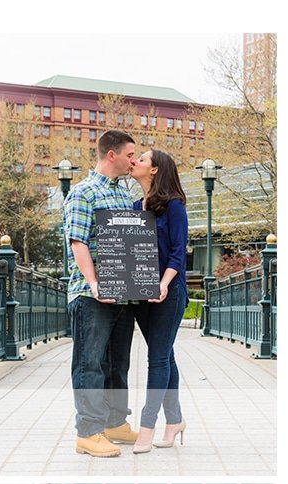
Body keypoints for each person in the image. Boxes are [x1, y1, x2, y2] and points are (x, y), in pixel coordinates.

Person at [64, 130, 140, 458]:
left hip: (123, 294)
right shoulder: (83, 193)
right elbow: (78, 242)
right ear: (112, 154)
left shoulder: (125, 196)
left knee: (117, 364)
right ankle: (89, 432)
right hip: (90, 295)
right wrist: (95, 283)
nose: (134, 160)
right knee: (89, 363)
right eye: (130, 155)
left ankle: (114, 423)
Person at [128, 149, 189, 453]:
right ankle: (175, 420)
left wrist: (163, 284)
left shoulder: (174, 207)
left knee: (157, 359)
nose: (134, 161)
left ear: (154, 170)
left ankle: (146, 427)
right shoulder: (133, 207)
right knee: (164, 354)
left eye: (141, 158)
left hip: (168, 292)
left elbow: (178, 252)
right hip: (139, 294)